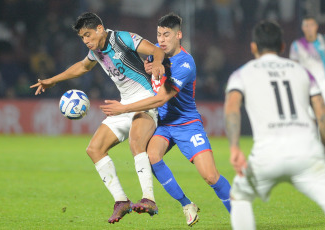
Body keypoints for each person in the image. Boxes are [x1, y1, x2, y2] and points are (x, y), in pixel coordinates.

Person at [30, 12, 166, 224]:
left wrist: (157, 63)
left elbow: (156, 50)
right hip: (123, 105)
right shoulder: (96, 52)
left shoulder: (123, 39)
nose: (85, 41)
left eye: (87, 35)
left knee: (136, 142)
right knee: (94, 149)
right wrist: (52, 80)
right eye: (82, 38)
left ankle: (149, 199)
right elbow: (83, 66)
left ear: (100, 29)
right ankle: (121, 201)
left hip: (145, 102)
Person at [100, 13, 231, 227]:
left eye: (167, 34)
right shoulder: (153, 57)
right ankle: (187, 204)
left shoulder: (186, 63)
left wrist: (124, 108)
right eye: (159, 34)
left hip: (187, 124)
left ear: (178, 35)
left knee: (210, 176)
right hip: (164, 125)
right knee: (152, 156)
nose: (161, 39)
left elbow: (161, 98)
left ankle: (240, 216)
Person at [224, 20, 325, 230]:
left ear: (253, 47)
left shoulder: (241, 73)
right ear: (282, 47)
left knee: (240, 196)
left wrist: (234, 147)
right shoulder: (302, 72)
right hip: (307, 151)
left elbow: (232, 107)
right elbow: (321, 113)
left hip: (266, 155)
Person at [289, 15, 325, 99]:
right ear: (303, 28)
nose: (309, 28)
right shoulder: (297, 45)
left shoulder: (323, 41)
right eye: (306, 26)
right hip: (309, 87)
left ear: (316, 26)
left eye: (311, 25)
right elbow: (294, 67)